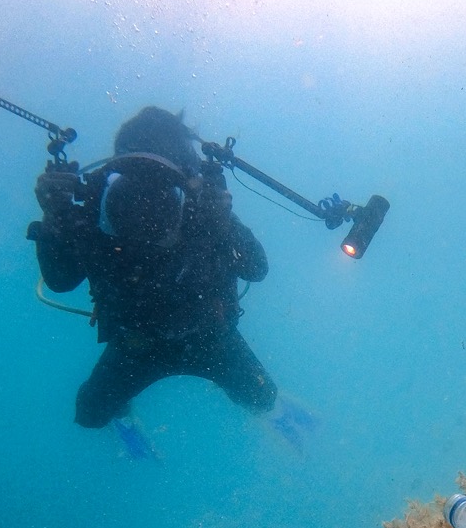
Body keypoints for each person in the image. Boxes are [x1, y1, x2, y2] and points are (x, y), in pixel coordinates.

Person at [30, 106, 314, 451]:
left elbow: (257, 269)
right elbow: (60, 281)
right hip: (139, 345)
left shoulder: (201, 209)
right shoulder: (97, 209)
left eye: (160, 182)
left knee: (262, 396)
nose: (147, 201)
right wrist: (54, 219)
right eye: (138, 179)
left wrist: (222, 221)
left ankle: (272, 408)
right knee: (89, 414)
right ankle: (122, 412)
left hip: (208, 337)